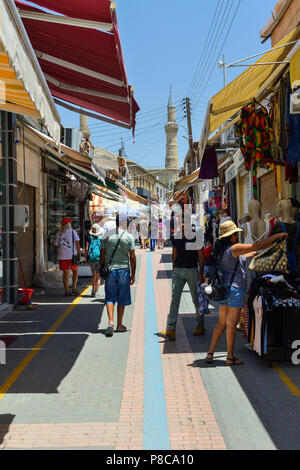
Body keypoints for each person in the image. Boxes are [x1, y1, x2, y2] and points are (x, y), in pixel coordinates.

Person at [205, 220, 288, 366]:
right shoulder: (235, 248)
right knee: (231, 324)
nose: (237, 236)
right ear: (229, 236)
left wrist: (256, 253)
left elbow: (248, 253)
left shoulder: (220, 249)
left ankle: (210, 353)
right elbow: (257, 245)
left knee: (222, 322)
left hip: (223, 289)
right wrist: (277, 236)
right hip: (235, 290)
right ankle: (230, 357)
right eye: (235, 234)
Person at [159, 215, 206, 341]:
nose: (184, 225)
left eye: (186, 222)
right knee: (175, 299)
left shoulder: (197, 236)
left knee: (196, 299)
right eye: (182, 222)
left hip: (192, 270)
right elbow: (174, 254)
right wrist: (174, 270)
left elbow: (200, 254)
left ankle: (200, 324)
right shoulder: (176, 237)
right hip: (178, 271)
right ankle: (171, 328)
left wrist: (201, 273)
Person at [100, 214, 136, 337]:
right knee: (122, 297)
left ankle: (110, 322)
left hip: (110, 270)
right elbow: (132, 257)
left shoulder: (107, 235)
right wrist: (133, 274)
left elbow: (102, 253)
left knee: (110, 297)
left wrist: (102, 267)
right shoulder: (129, 236)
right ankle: (120, 324)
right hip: (124, 271)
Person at [55, 218, 81, 296]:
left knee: (65, 273)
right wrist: (79, 253)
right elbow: (77, 244)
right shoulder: (73, 232)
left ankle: (66, 291)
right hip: (72, 255)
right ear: (69, 224)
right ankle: (74, 288)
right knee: (75, 272)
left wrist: (59, 253)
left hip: (62, 256)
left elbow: (56, 245)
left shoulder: (59, 233)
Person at [85, 223, 103, 297]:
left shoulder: (89, 238)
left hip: (91, 258)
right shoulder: (100, 239)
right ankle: (96, 292)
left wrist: (86, 258)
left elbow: (86, 249)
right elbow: (102, 249)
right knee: (98, 276)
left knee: (93, 275)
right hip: (98, 258)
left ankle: (92, 290)